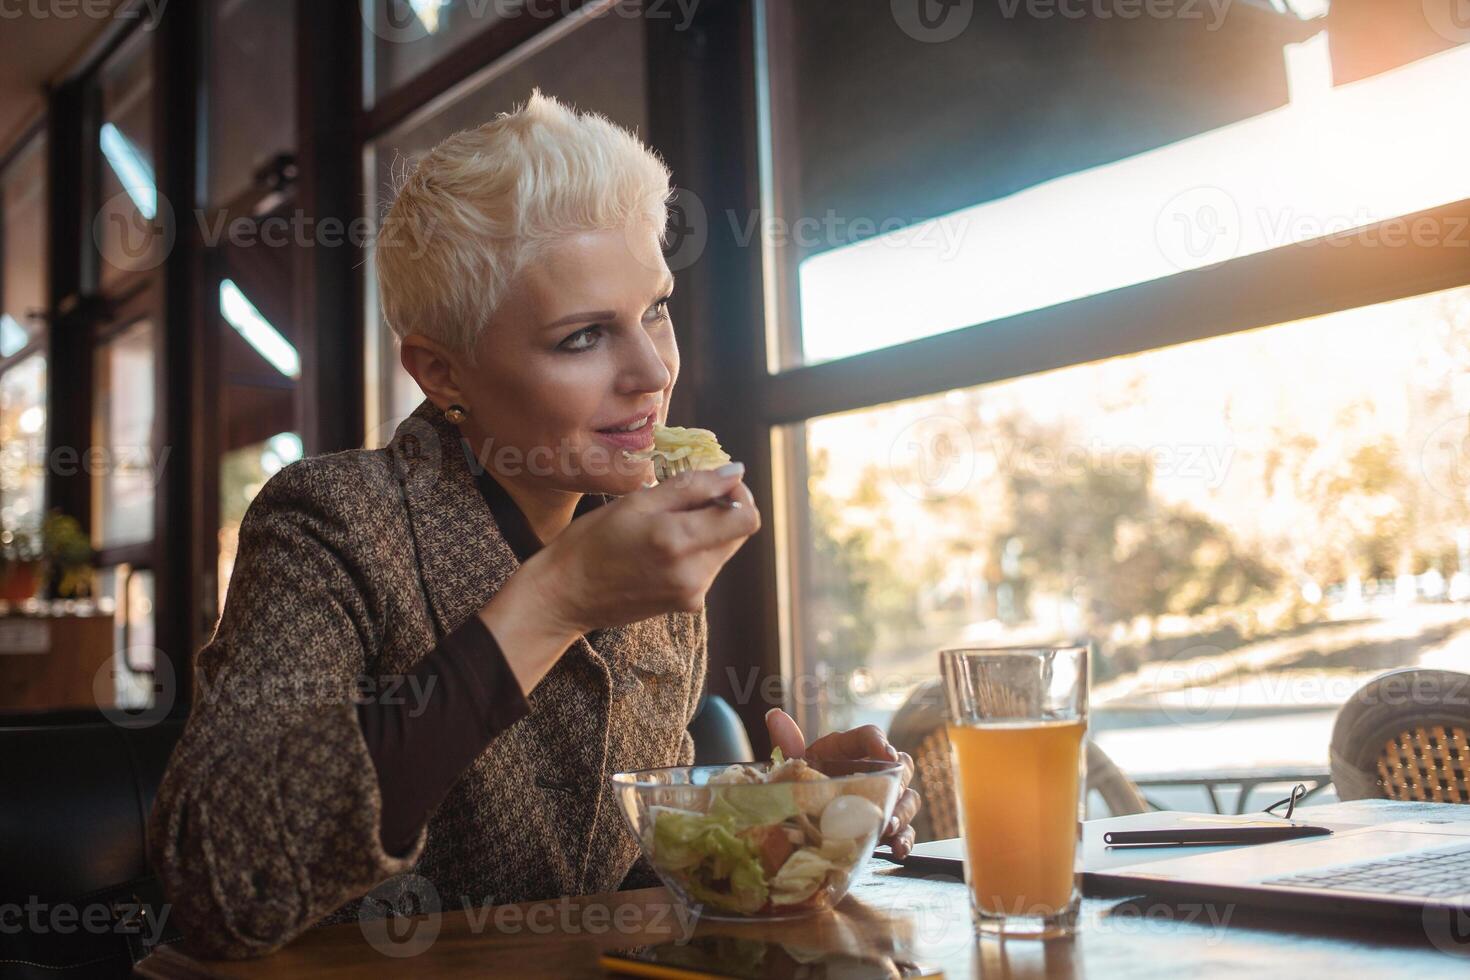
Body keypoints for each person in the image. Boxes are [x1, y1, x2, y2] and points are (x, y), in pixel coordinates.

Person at [148, 91, 920, 959]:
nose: (652, 372)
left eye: (656, 309)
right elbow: (219, 880)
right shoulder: (330, 523)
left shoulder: (644, 548)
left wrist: (781, 820)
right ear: (444, 371)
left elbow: (603, 885)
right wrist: (551, 602)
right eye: (584, 336)